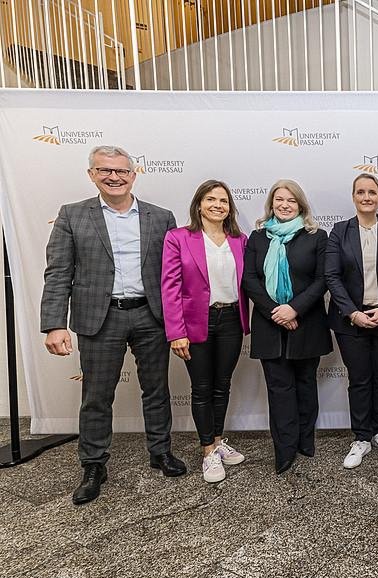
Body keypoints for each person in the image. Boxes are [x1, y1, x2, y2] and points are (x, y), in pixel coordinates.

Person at [40, 145, 185, 506]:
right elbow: (58, 272)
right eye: (105, 170)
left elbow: (173, 275)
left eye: (121, 171)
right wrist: (54, 324)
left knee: (156, 389)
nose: (114, 177)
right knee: (96, 397)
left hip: (150, 315)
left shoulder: (161, 217)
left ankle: (160, 451)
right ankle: (93, 464)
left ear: (134, 175)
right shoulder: (73, 215)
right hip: (99, 316)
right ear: (92, 174)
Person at [161, 180, 250, 484]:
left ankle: (219, 439)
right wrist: (176, 331)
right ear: (199, 204)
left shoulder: (239, 240)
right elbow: (170, 287)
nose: (217, 205)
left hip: (231, 321)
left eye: (223, 200)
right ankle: (207, 451)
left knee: (222, 385)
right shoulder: (179, 238)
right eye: (210, 199)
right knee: (201, 387)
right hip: (195, 322)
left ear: (230, 207)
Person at [242, 179, 332, 474]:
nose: (284, 205)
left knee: (306, 386)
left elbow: (322, 280)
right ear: (271, 204)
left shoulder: (317, 237)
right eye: (279, 199)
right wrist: (276, 312)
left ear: (300, 205)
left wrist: (294, 308)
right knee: (279, 390)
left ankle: (306, 442)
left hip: (307, 323)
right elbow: (250, 282)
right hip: (270, 327)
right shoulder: (257, 238)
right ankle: (284, 449)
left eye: (291, 200)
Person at [325, 174, 378, 469]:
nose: (367, 197)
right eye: (361, 192)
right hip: (350, 321)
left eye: (372, 192)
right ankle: (361, 437)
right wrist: (353, 312)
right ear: (354, 196)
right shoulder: (339, 232)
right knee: (359, 380)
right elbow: (332, 276)